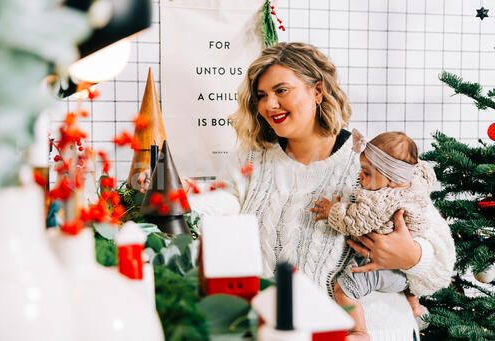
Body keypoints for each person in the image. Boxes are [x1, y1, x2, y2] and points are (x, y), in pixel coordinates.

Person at [187, 42, 455, 340]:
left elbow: (441, 267)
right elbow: (222, 206)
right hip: (275, 331)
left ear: (317, 91)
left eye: (281, 90)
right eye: (262, 95)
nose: (268, 104)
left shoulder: (369, 161)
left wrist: (413, 256)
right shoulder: (251, 158)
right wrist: (183, 197)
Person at [311, 131, 449, 340]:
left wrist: (333, 209)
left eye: (366, 173)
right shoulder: (415, 184)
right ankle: (414, 302)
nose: (360, 177)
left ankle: (358, 331)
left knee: (344, 288)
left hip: (388, 271)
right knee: (406, 281)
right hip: (402, 275)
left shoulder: (382, 200)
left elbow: (354, 221)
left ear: (392, 179)